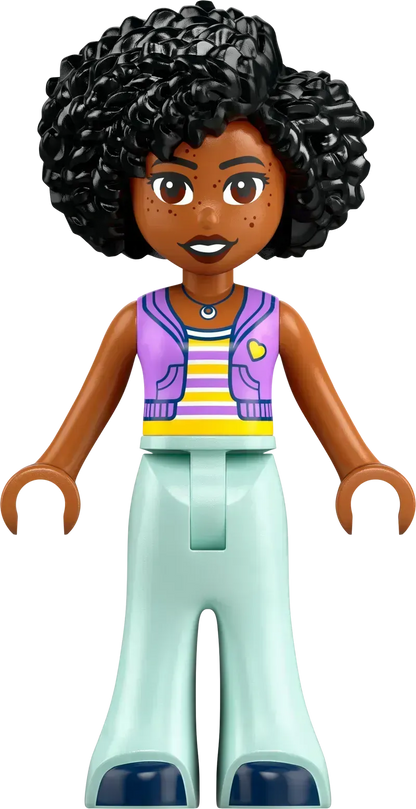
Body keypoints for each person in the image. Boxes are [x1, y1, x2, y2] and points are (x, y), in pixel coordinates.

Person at [1, 3, 414, 808]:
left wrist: (361, 468)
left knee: (266, 624)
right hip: (160, 486)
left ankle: (274, 742)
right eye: (172, 186)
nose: (210, 217)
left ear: (295, 185)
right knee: (150, 625)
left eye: (243, 186)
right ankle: (142, 743)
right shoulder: (136, 319)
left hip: (257, 487)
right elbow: (90, 407)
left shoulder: (279, 319)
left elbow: (324, 406)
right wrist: (55, 469)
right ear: (120, 190)